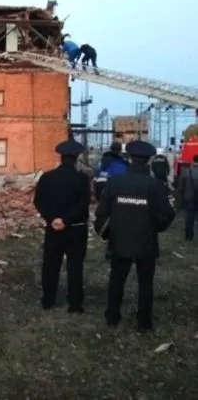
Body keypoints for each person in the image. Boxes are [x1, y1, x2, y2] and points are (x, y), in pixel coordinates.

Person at [94, 140, 176, 332]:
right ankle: (144, 322)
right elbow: (168, 213)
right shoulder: (155, 185)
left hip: (119, 241)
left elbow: (102, 212)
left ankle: (112, 317)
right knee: (145, 284)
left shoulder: (115, 182)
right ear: (148, 161)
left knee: (116, 281)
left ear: (129, 158)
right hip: (146, 242)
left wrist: (107, 233)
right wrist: (155, 227)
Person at [33, 138, 91, 313]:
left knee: (50, 264)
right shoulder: (82, 179)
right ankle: (75, 304)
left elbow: (38, 202)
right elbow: (84, 204)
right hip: (76, 228)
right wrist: (66, 219)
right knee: (75, 266)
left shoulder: (47, 177)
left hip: (53, 228)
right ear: (76, 158)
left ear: (60, 157)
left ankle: (48, 300)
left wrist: (53, 219)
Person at [178, 154, 198, 240]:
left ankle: (189, 236)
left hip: (189, 198)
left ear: (193, 161)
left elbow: (181, 187)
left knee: (189, 218)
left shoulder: (186, 172)